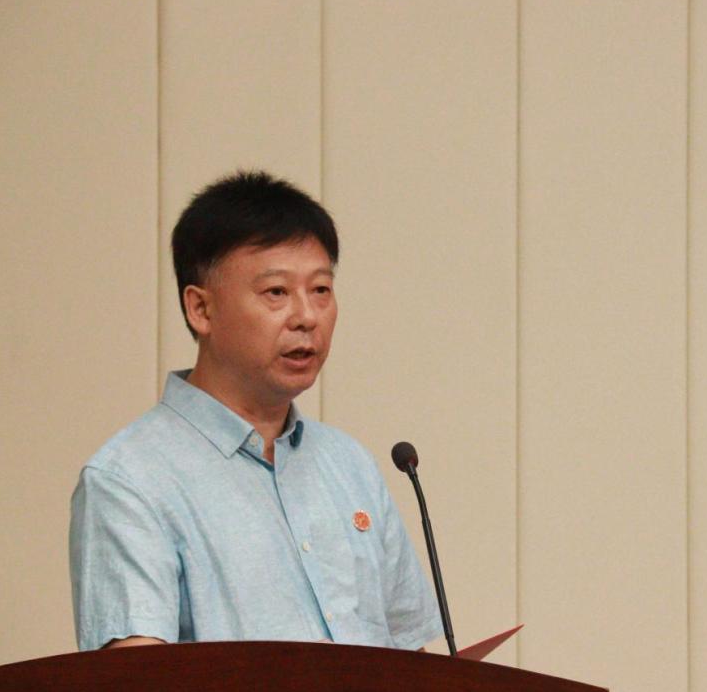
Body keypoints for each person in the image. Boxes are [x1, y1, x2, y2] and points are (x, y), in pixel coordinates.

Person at [69, 170, 442, 652]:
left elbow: (413, 666)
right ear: (200, 309)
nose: (306, 317)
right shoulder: (130, 481)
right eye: (276, 293)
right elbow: (136, 682)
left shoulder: (350, 465)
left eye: (321, 290)